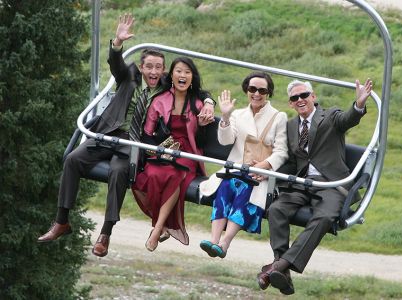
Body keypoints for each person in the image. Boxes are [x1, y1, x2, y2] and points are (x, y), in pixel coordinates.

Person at [37, 14, 214, 257]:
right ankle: (61, 221)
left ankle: (105, 233)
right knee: (73, 159)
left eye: (158, 67)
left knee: (119, 172)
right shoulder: (129, 75)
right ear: (141, 67)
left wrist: (209, 101)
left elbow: (196, 87)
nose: (153, 71)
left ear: (163, 71)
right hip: (110, 132)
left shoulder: (165, 85)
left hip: (134, 144)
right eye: (148, 66)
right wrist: (118, 43)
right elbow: (116, 64)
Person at [256, 78, 373, 295]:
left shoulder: (330, 116)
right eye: (294, 98)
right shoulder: (291, 126)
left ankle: (278, 267)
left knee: (324, 218)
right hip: (302, 184)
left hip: (331, 185)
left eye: (304, 95)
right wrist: (268, 173)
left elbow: (348, 119)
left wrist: (358, 105)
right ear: (290, 103)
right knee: (276, 209)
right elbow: (292, 161)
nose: (300, 100)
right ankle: (282, 270)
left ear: (313, 97)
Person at [198, 72, 288, 258]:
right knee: (226, 187)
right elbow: (225, 140)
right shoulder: (238, 115)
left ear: (268, 92)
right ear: (246, 90)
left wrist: (263, 166)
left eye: (262, 90)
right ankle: (214, 240)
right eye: (252, 89)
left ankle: (225, 243)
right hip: (236, 169)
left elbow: (282, 151)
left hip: (260, 174)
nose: (256, 93)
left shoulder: (279, 117)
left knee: (246, 189)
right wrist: (225, 116)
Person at [132, 56, 214, 251]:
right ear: (172, 75)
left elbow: (202, 142)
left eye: (187, 72)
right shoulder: (160, 100)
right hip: (165, 148)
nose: (183, 75)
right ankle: (164, 226)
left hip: (188, 153)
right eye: (179, 71)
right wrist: (159, 150)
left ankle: (157, 228)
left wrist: (202, 126)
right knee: (147, 176)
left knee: (174, 175)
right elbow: (148, 133)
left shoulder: (198, 103)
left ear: (192, 77)